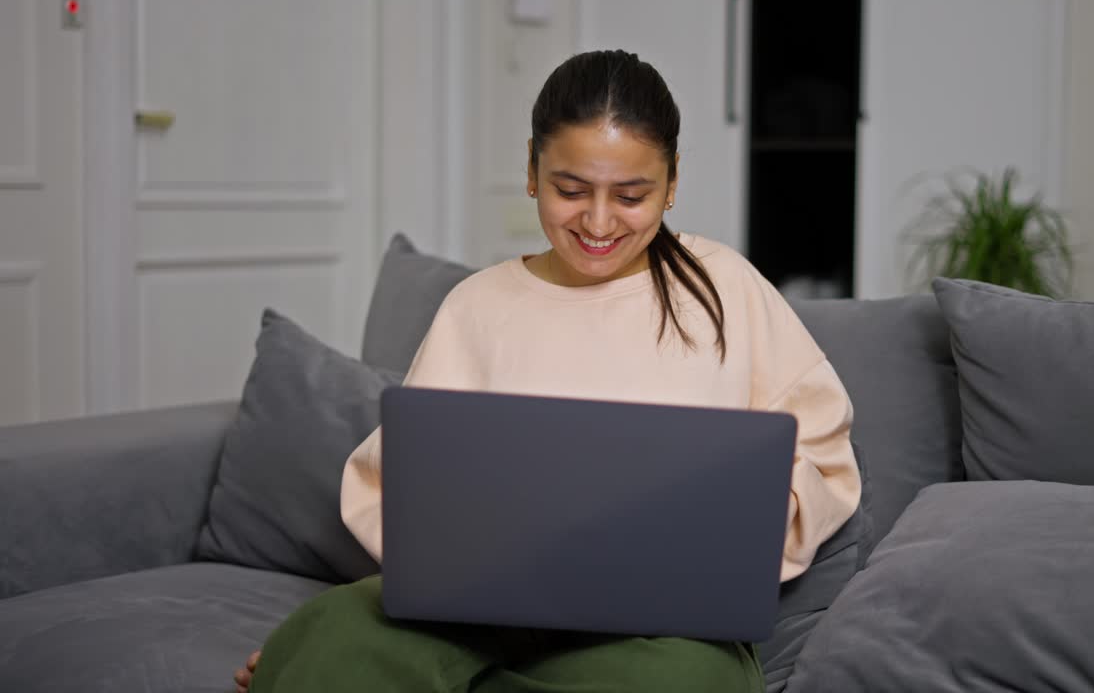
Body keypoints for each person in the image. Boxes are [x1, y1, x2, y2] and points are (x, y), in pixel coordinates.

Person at [235, 49, 861, 693]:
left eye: (631, 195)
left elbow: (823, 453)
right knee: (339, 632)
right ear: (532, 169)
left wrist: (738, 539)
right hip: (482, 603)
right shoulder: (478, 305)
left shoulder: (722, 286)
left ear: (671, 184)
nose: (596, 221)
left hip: (661, 627)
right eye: (570, 190)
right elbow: (398, 478)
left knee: (693, 681)